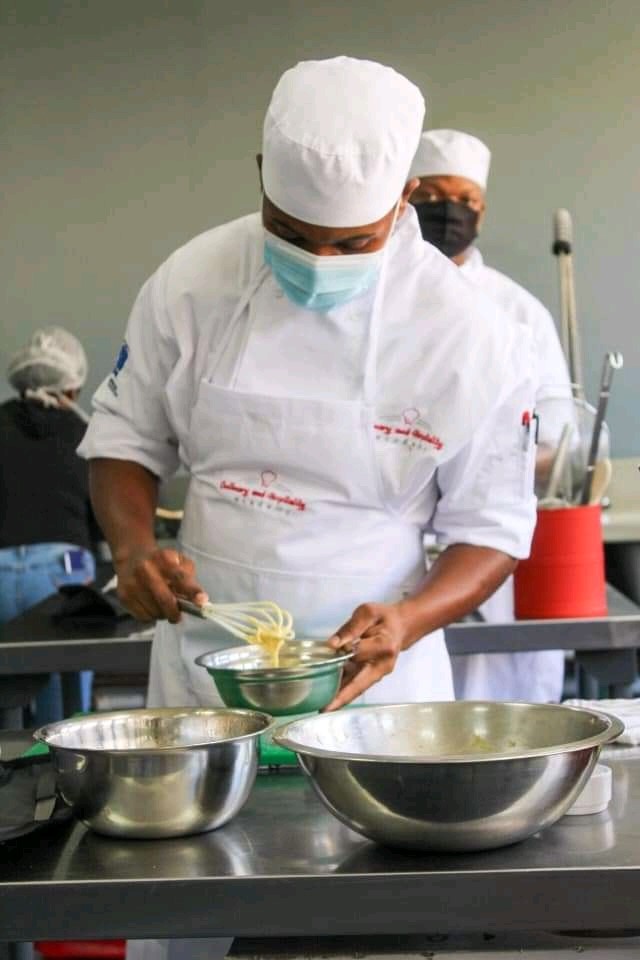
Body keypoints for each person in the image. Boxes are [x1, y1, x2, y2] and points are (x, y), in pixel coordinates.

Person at [79, 56, 537, 719]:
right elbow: (125, 439)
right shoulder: (191, 283)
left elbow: (493, 527)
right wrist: (133, 549)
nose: (318, 264)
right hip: (208, 662)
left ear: (403, 198)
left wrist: (410, 619)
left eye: (352, 244)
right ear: (262, 174)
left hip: (376, 681)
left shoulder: (466, 330)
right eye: (289, 234)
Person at [409, 128, 572, 703]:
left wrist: (492, 458)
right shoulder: (375, 298)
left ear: (481, 209)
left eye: (465, 199)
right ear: (405, 198)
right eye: (432, 197)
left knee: (498, 711)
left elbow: (559, 434)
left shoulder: (518, 312)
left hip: (489, 543)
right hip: (393, 544)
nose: (449, 210)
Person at [0, 327, 99, 724]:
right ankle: (62, 750)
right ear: (72, 387)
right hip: (63, 568)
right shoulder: (84, 431)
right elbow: (102, 514)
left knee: (6, 687)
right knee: (63, 689)